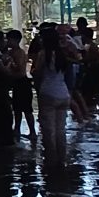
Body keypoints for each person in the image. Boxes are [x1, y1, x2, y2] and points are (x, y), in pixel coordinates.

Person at [32, 26, 72, 167]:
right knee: (61, 129)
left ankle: (51, 160)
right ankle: (62, 158)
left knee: (49, 130)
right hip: (63, 92)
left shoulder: (44, 54)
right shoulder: (62, 53)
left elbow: (37, 72)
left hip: (48, 92)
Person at [6, 30, 35, 140]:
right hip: (16, 83)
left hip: (22, 82)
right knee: (17, 109)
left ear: (16, 40)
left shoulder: (19, 53)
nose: (7, 42)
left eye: (9, 39)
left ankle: (32, 131)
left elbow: (20, 68)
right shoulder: (11, 52)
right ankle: (17, 129)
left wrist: (10, 62)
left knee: (27, 109)